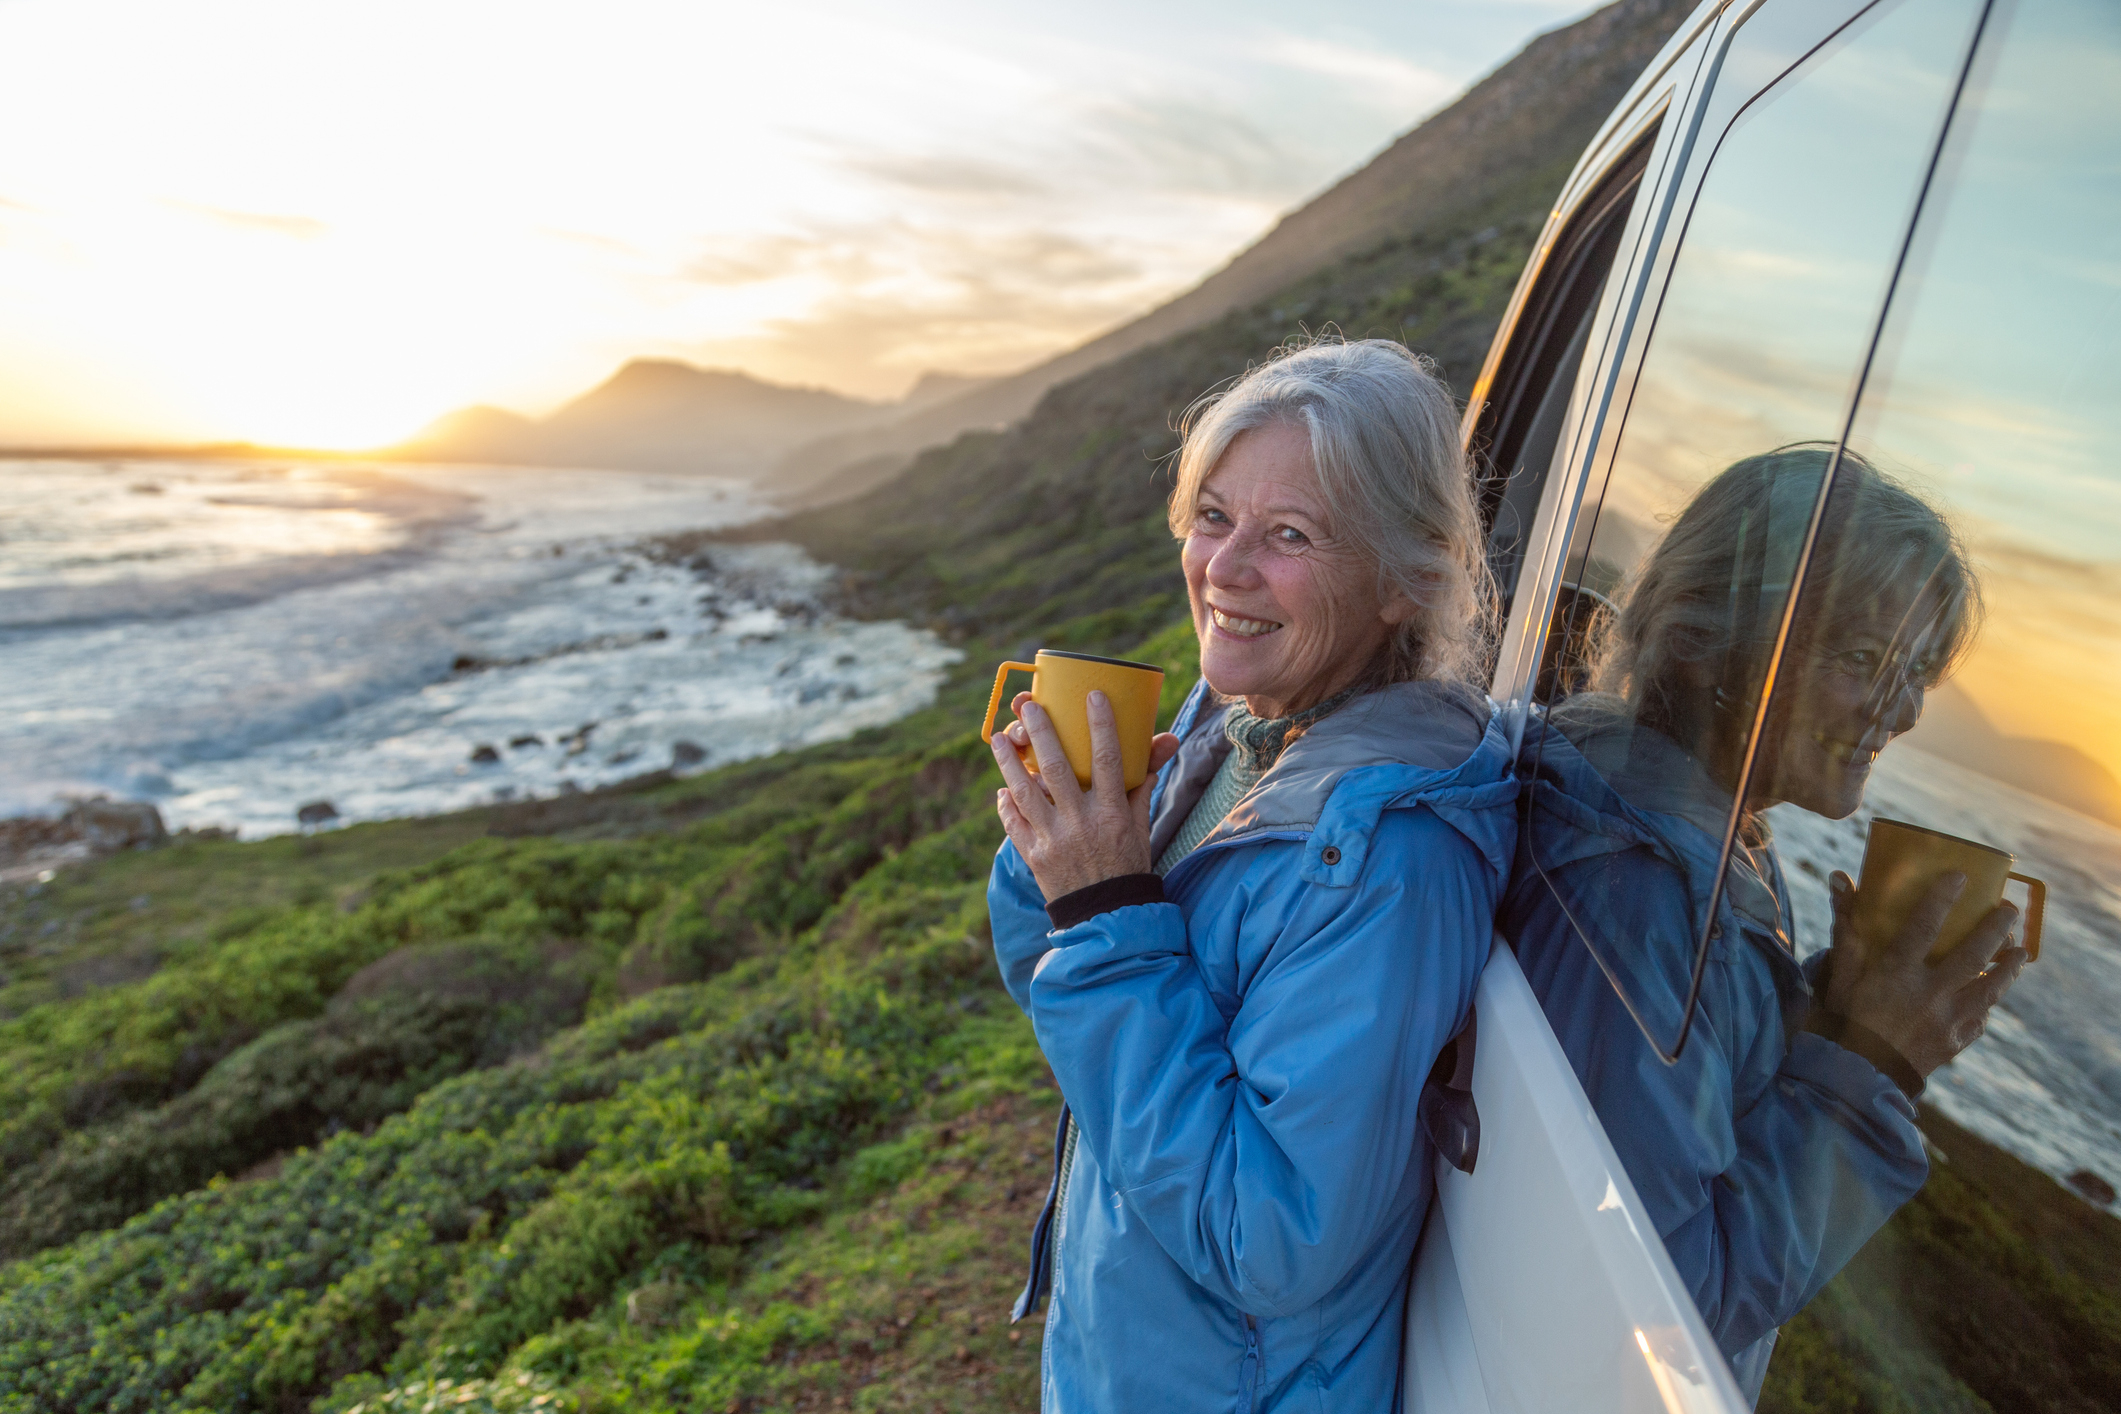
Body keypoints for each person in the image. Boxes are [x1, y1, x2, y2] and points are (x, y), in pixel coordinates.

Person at [985, 337, 1517, 1411]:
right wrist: (1063, 846)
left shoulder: (1391, 862)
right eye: (1215, 515)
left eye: (1290, 535)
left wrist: (1105, 902)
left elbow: (1267, 1236)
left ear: (1402, 583)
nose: (1224, 567)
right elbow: (1045, 971)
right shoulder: (1235, 729)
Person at [1502, 446, 2030, 1399]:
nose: (1899, 712)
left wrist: (1815, 1012)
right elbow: (1648, 1312)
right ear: (1704, 638)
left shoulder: (1673, 812)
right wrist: (1873, 1064)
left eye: (1915, 673)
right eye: (1864, 660)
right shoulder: (1644, 893)